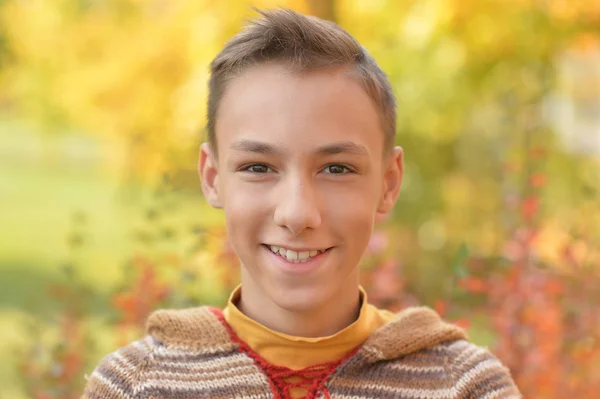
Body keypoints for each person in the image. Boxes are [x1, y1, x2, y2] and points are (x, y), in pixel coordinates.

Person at [82, 7, 521, 399]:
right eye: (258, 167)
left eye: (336, 169)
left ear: (388, 183)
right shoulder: (136, 386)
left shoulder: (463, 386)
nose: (297, 214)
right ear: (213, 178)